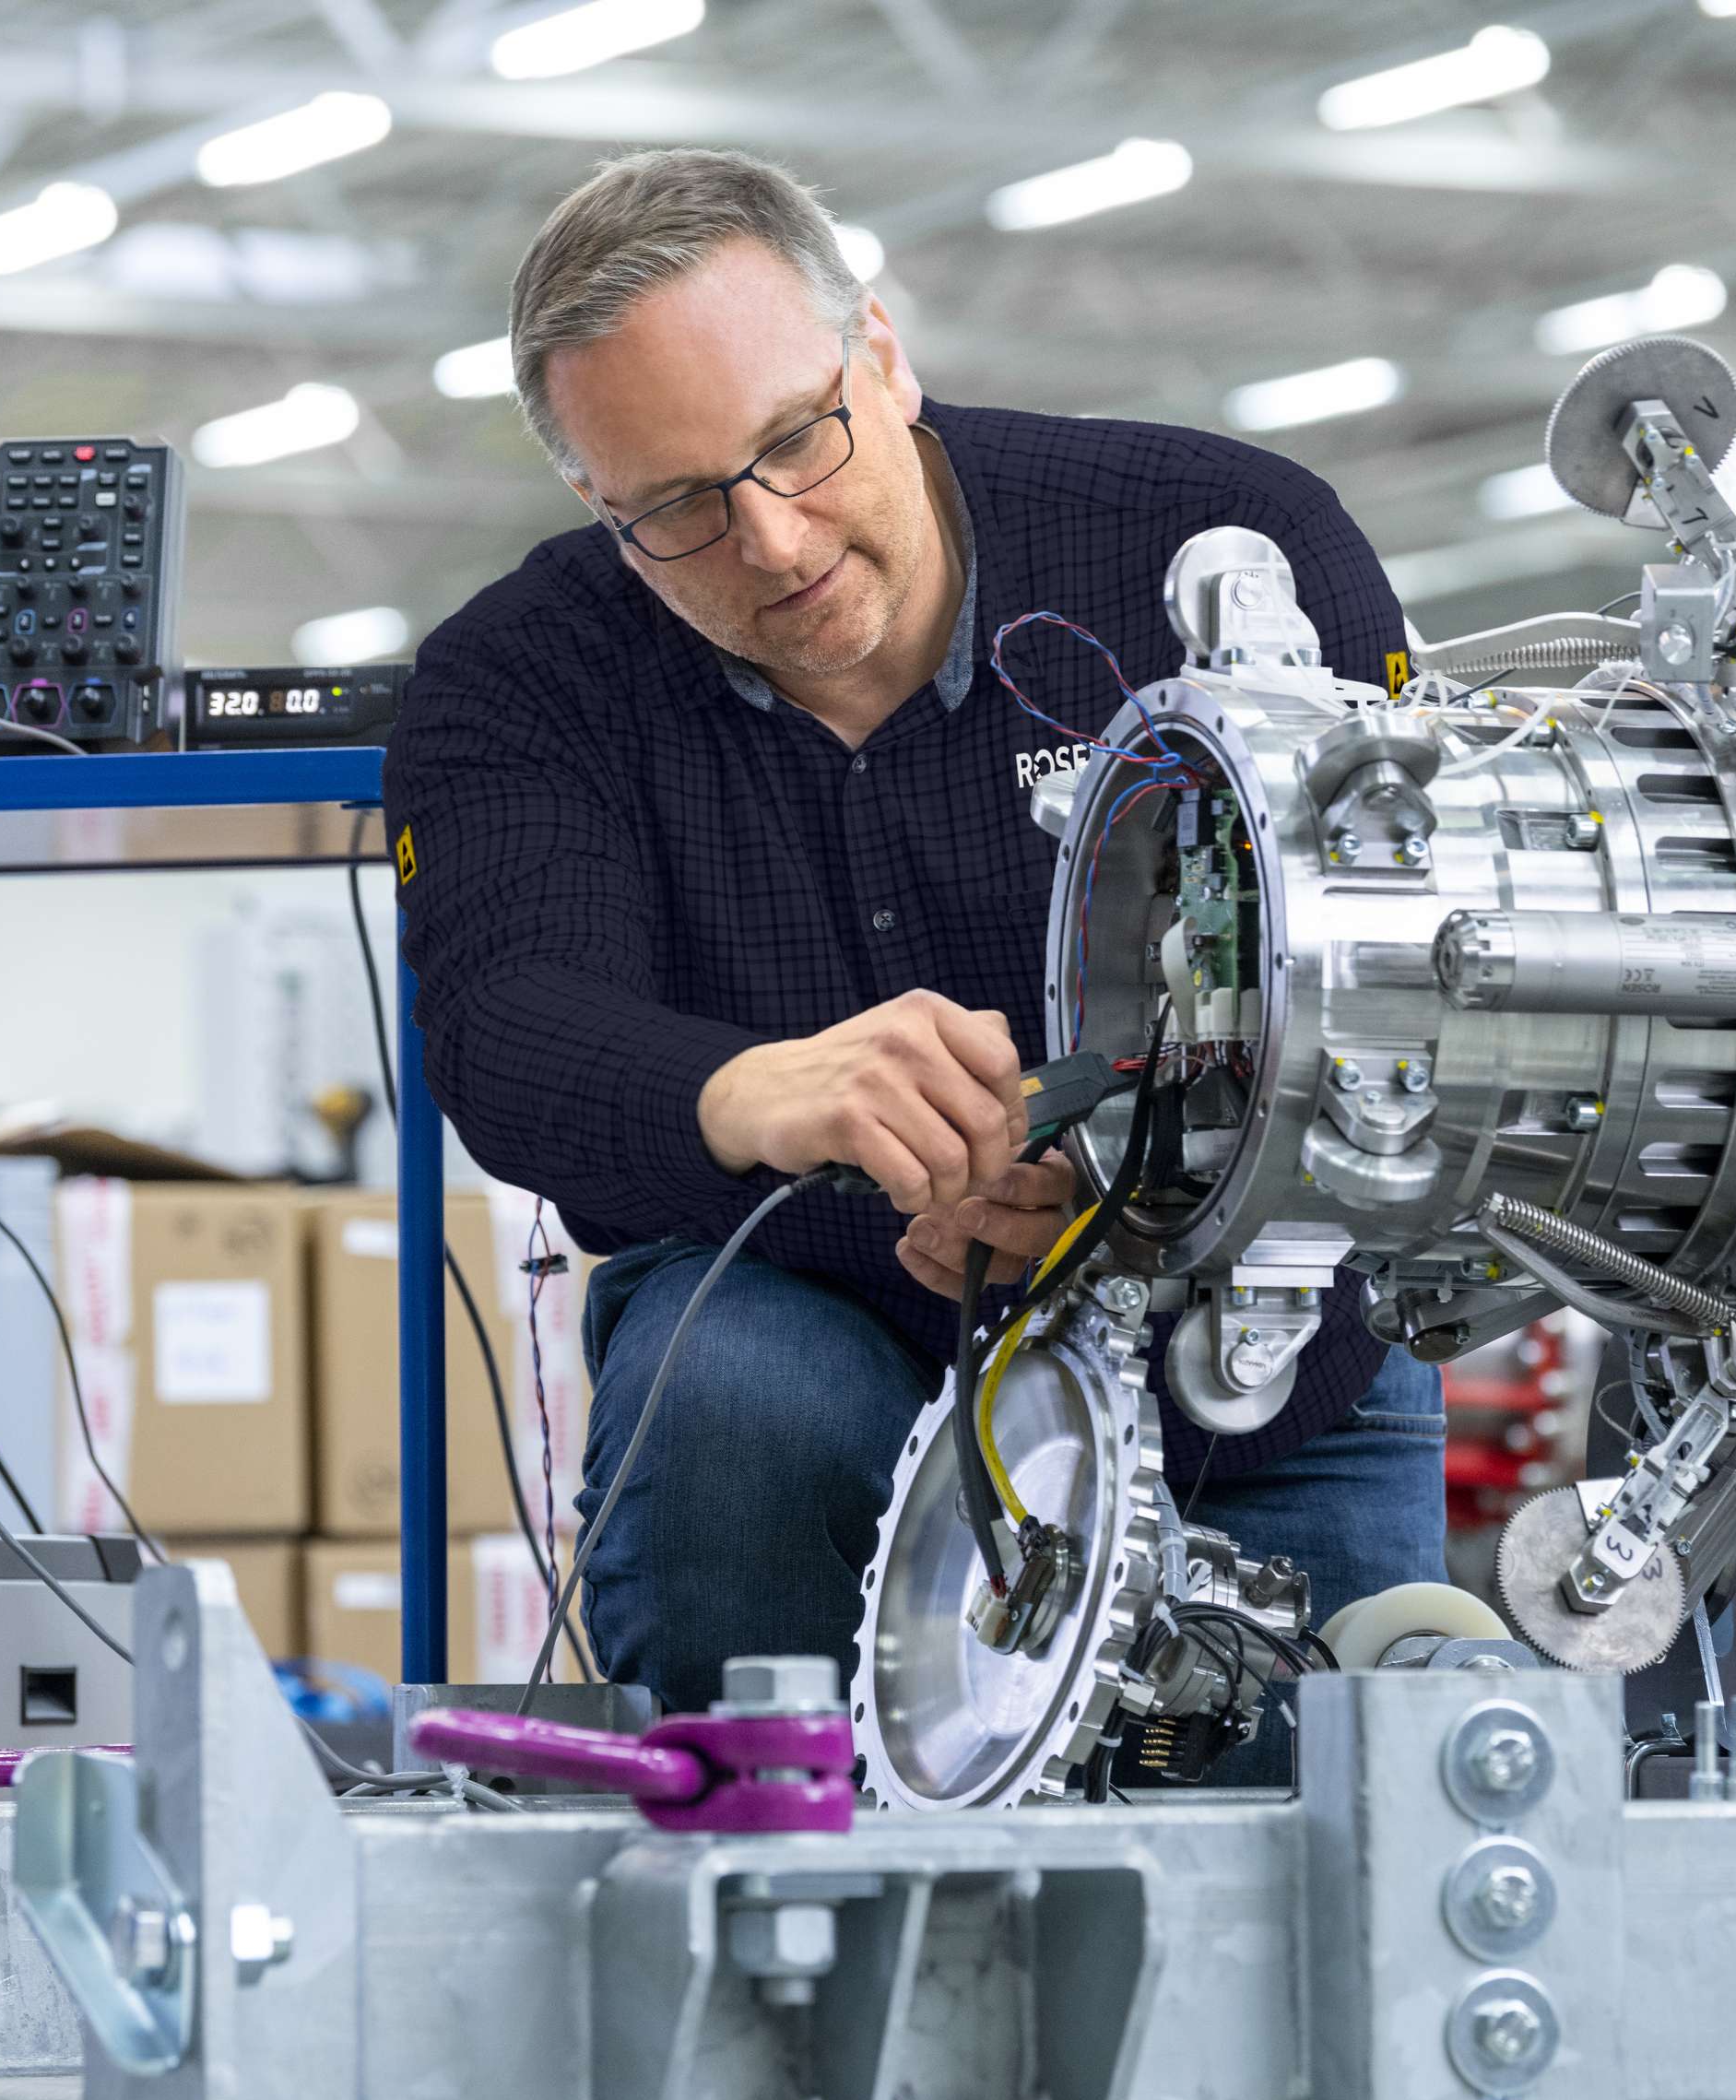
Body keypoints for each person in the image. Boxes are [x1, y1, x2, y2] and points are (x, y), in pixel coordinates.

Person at [386, 147, 1446, 1740]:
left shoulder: (1231, 546)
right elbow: (508, 1023)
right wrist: (757, 1091)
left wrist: (1129, 1195)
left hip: (1256, 1355)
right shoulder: (519, 681)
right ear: (596, 504)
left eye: (797, 445)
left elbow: (1410, 955)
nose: (773, 543)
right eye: (676, 507)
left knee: (1326, 1866)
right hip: (810, 1319)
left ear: (882, 354)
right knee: (731, 1409)